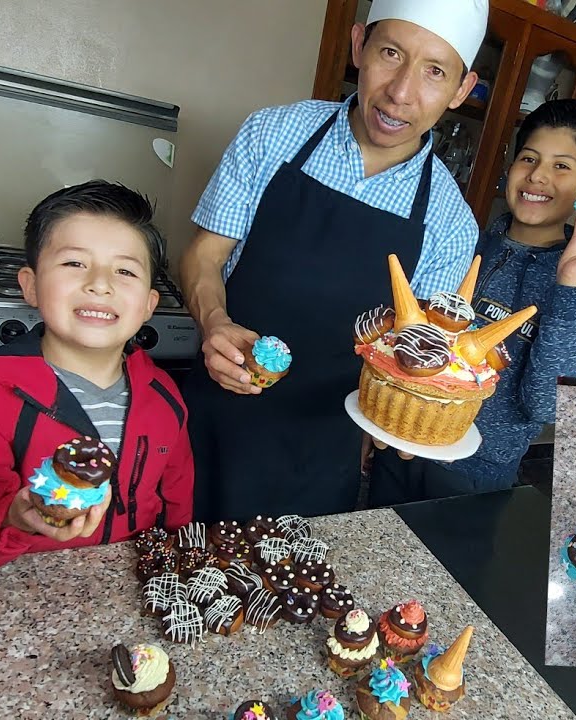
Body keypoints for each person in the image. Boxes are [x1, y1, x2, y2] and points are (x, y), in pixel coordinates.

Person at [180, 0, 490, 521]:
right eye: (391, 53)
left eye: (435, 71)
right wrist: (214, 322)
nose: (401, 92)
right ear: (358, 45)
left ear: (462, 90)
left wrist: (411, 420)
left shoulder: (451, 223)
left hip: (323, 452)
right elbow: (203, 256)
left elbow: (420, 356)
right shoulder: (271, 134)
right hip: (211, 416)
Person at [367, 99, 576, 504]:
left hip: (474, 474)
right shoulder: (464, 241)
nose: (538, 175)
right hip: (400, 440)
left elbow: (546, 405)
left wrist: (569, 282)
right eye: (529, 158)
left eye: (561, 166)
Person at [0, 180, 194, 576]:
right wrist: (12, 518)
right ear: (31, 286)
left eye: (124, 270)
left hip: (137, 587)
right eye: (74, 264)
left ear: (149, 304)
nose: (99, 283)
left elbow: (177, 504)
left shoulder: (164, 395)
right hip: (24, 591)